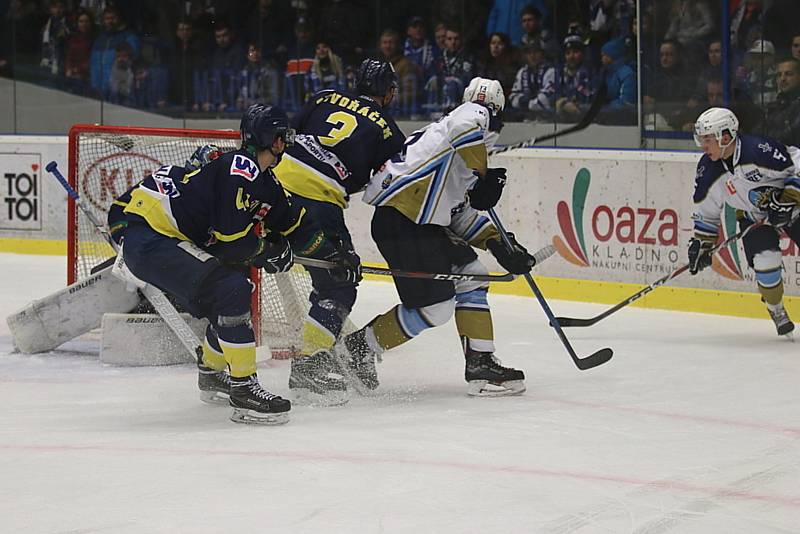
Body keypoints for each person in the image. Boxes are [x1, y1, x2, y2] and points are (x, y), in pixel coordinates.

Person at [118, 104, 351, 425]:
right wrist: (269, 252)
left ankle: (213, 374)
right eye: (284, 136)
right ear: (276, 140)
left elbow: (294, 224)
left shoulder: (265, 182)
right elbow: (233, 238)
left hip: (170, 240)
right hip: (152, 239)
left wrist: (333, 259)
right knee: (231, 290)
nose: (286, 143)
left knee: (231, 292)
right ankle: (244, 389)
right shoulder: (239, 167)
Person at [342, 77, 539, 397]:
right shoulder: (472, 116)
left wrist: (500, 244)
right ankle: (359, 349)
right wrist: (485, 175)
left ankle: (479, 362)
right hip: (406, 223)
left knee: (461, 286)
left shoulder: (448, 152)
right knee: (440, 303)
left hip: (412, 224)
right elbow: (465, 125)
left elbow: (457, 215)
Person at [272, 59, 406, 405]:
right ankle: (308, 366)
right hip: (315, 203)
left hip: (269, 188)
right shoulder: (389, 131)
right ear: (388, 91)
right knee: (339, 285)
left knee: (235, 262)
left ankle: (215, 367)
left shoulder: (324, 96)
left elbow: (284, 138)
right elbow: (387, 185)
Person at [690, 107, 800, 336]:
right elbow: (707, 212)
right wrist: (702, 244)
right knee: (765, 264)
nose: (703, 146)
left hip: (793, 210)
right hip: (752, 217)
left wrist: (790, 199)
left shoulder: (758, 150)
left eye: (707, 139)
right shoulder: (708, 168)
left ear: (726, 137)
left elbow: (796, 166)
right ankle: (776, 308)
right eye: (701, 139)